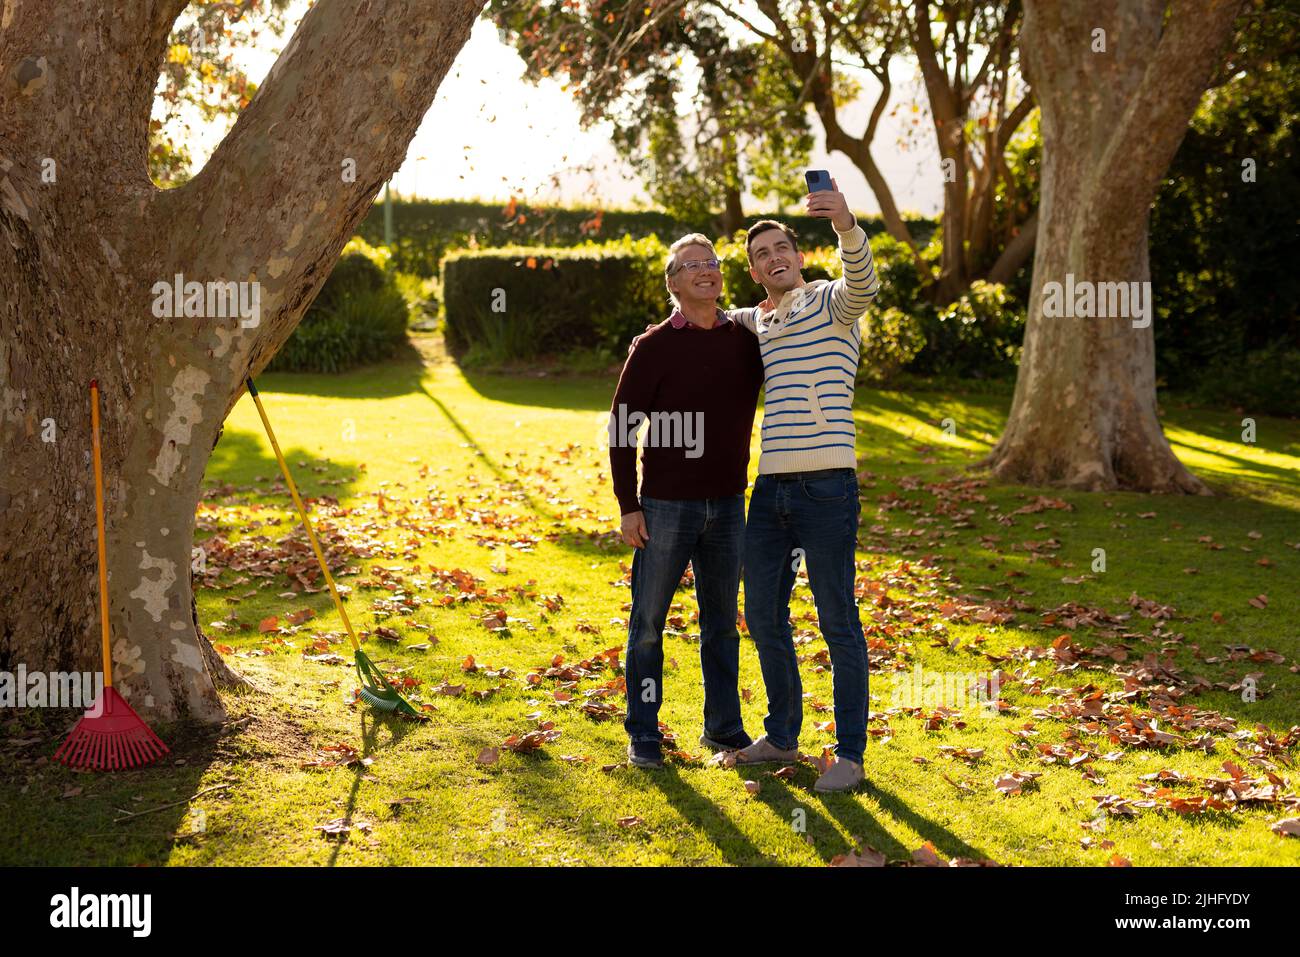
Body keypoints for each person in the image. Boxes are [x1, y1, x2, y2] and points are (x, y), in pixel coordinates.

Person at [726, 179, 879, 793]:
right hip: (770, 493)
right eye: (760, 254)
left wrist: (845, 222)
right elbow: (704, 321)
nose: (772, 257)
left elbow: (863, 281)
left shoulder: (832, 304)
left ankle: (849, 755)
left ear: (799, 253)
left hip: (827, 489)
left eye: (780, 246)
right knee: (762, 613)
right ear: (756, 271)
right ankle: (784, 735)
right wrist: (656, 337)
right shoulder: (753, 323)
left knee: (837, 618)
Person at [608, 234, 764, 769]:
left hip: (727, 505)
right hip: (665, 507)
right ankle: (644, 733)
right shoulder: (653, 347)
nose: (705, 270)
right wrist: (629, 505)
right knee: (648, 622)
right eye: (690, 265)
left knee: (721, 622)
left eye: (712, 263)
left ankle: (723, 730)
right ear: (673, 283)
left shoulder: (746, 340)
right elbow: (623, 427)